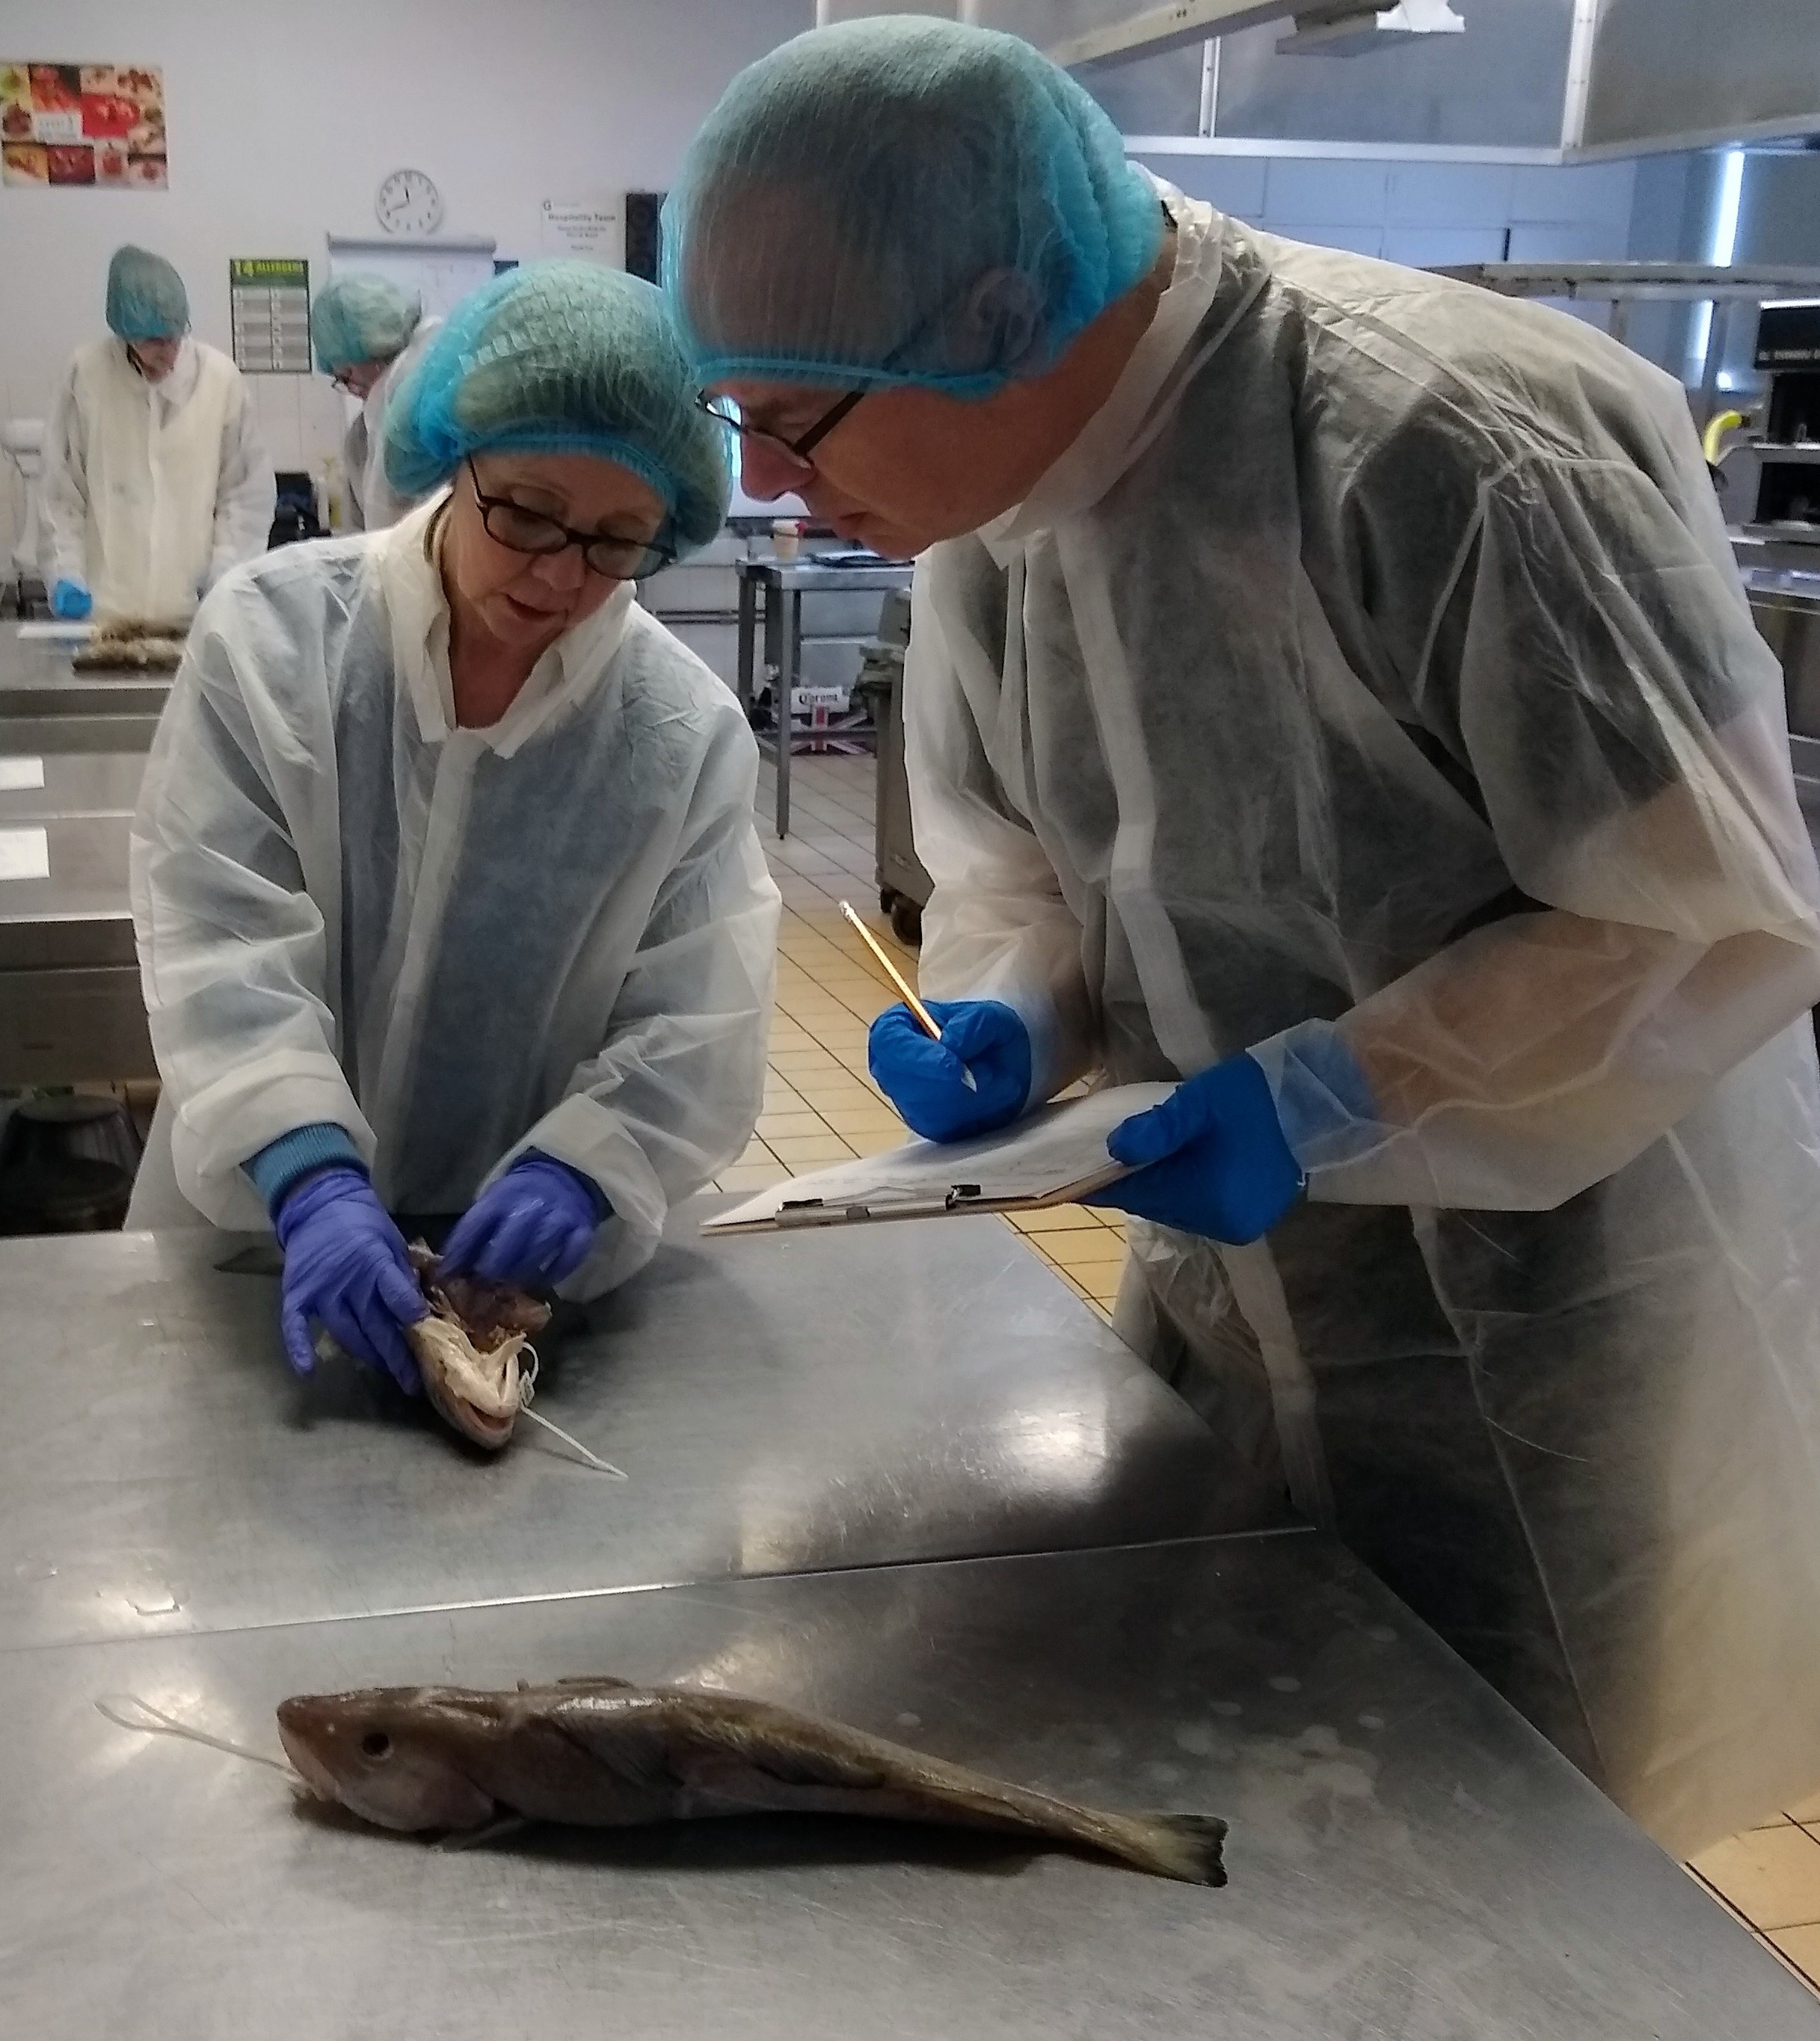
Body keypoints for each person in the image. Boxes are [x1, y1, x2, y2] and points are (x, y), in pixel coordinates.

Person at [665, 17, 1820, 1856]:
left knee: (1530, 1864)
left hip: (1544, 1350)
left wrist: (1335, 1096)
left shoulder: (1447, 447)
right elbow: (1025, 859)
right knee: (1251, 1790)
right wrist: (1015, 1015)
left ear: (986, 312)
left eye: (793, 421)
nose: (775, 486)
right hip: (1229, 1317)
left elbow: (1704, 926)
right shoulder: (993, 499)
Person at [128, 260, 779, 1394]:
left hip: (505, 1283)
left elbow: (695, 1016)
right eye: (526, 511)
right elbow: (216, 934)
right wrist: (307, 1172)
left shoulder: (680, 735)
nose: (560, 573)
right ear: (449, 456)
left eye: (617, 539)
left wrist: (585, 1170)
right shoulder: (276, 641)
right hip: (255, 1242)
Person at [40, 244, 273, 621]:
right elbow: (61, 495)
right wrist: (66, 573)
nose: (168, 352)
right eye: (153, 342)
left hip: (196, 615)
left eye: (174, 336)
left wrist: (226, 572)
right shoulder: (87, 375)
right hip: (106, 614)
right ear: (125, 334)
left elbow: (243, 496)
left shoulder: (219, 380)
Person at [310, 274, 440, 531]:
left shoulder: (419, 400)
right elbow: (357, 540)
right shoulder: (361, 441)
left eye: (347, 376)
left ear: (374, 350)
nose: (353, 389)